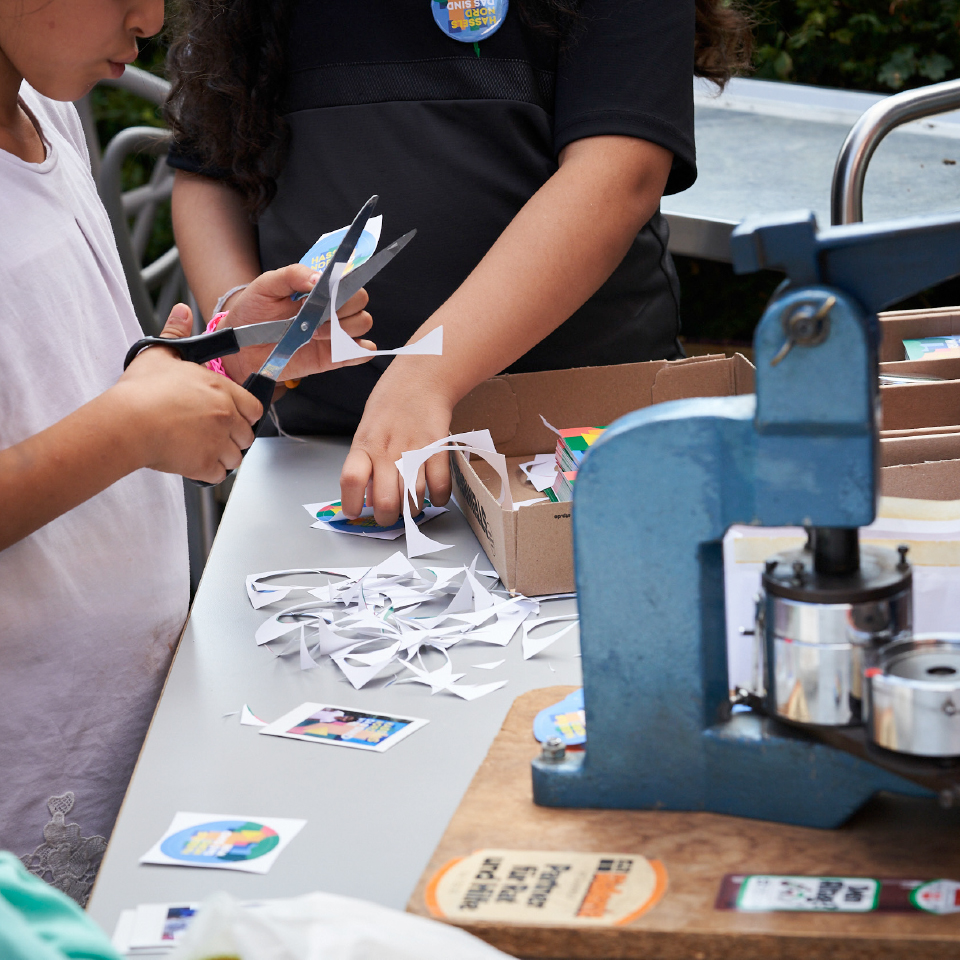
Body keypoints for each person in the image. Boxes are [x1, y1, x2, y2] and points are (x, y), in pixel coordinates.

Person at [0, 0, 374, 903]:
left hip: (125, 720)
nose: (152, 16)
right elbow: (107, 424)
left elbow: (55, 376)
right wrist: (130, 428)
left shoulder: (45, 110)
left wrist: (215, 351)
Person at [166, 0, 753, 527]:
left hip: (575, 445)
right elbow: (208, 170)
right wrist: (253, 336)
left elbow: (620, 174)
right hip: (319, 449)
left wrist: (425, 375)